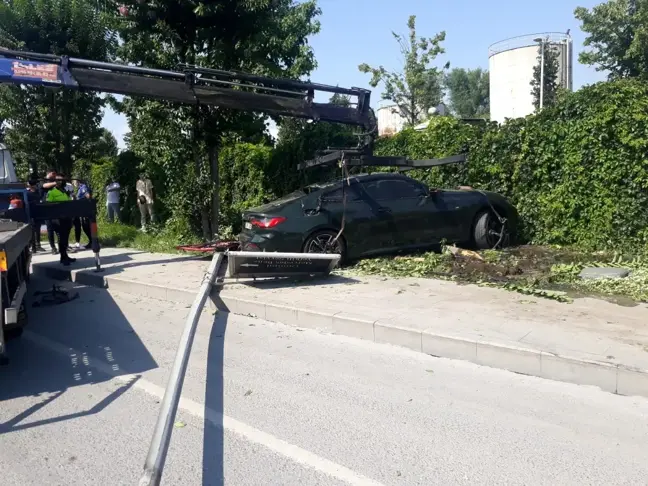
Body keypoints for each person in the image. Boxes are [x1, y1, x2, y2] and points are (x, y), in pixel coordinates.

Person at [46, 174, 75, 266]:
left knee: (65, 238)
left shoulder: (65, 191)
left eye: (62, 180)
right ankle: (63, 258)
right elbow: (48, 205)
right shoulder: (51, 192)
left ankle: (65, 256)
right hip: (57, 219)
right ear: (55, 182)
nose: (60, 182)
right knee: (61, 238)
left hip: (66, 218)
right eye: (58, 180)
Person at [39, 170, 59, 255]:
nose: (55, 175)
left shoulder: (55, 182)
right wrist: (55, 183)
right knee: (50, 229)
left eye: (55, 174)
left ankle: (63, 246)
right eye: (53, 174)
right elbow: (45, 186)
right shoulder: (43, 181)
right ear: (49, 173)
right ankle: (53, 247)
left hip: (56, 207)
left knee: (59, 228)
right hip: (47, 208)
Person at [72, 177, 92, 250]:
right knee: (85, 226)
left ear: (77, 181)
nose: (73, 184)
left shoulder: (83, 187)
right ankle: (91, 241)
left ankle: (92, 241)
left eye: (73, 183)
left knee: (86, 226)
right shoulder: (80, 188)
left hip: (85, 209)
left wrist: (84, 203)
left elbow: (88, 196)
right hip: (83, 210)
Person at [26, 174, 44, 253]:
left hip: (38, 213)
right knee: (32, 230)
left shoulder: (38, 192)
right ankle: (33, 247)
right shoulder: (26, 193)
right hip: (30, 213)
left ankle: (38, 245)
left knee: (38, 229)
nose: (35, 186)